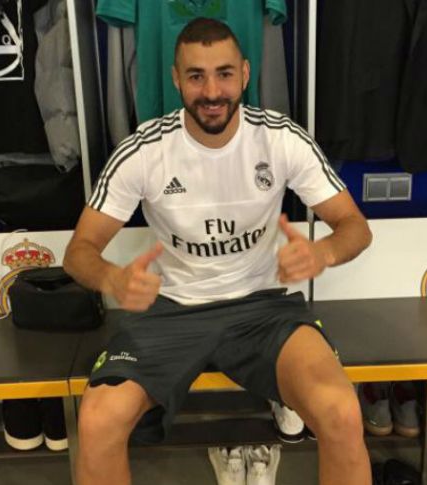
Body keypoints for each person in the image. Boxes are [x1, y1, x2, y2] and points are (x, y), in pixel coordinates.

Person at [63, 17, 373, 485]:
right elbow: (79, 251)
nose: (212, 92)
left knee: (342, 411)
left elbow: (355, 227)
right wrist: (111, 278)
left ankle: (284, 392)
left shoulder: (280, 138)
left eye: (224, 74)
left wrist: (323, 253)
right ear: (176, 79)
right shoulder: (144, 150)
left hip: (263, 308)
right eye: (196, 76)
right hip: (172, 309)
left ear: (245, 74)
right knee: (97, 420)